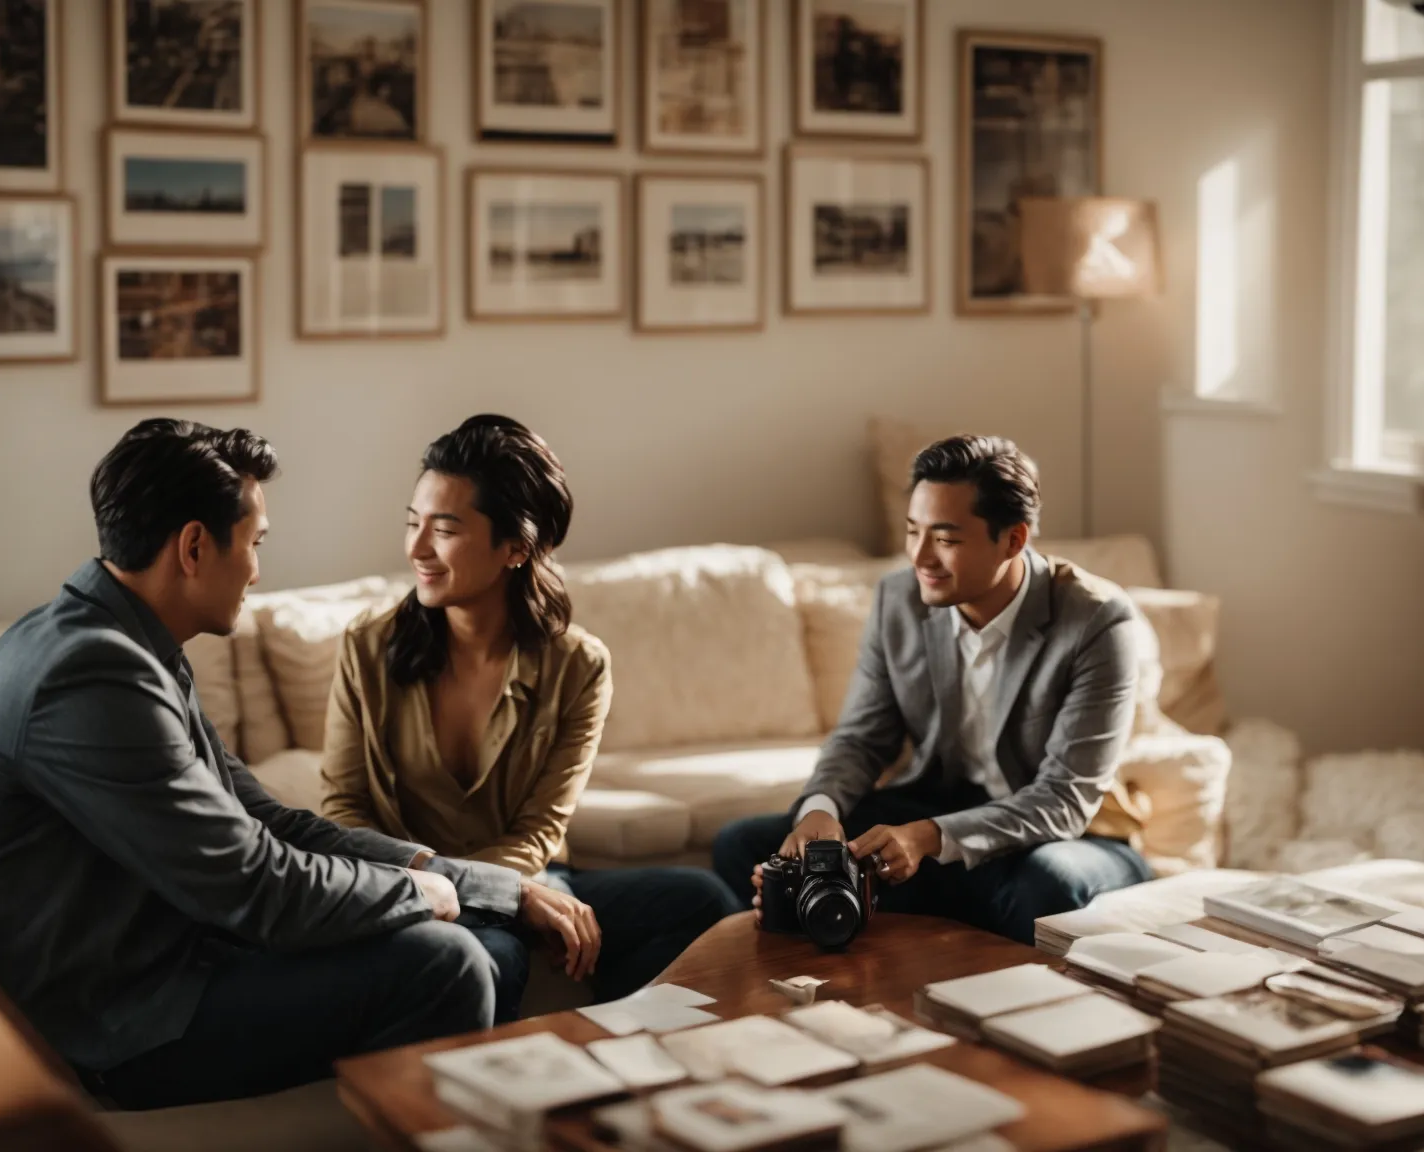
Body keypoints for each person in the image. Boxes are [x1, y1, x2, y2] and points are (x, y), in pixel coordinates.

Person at [0, 419, 574, 1111]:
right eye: (255, 544)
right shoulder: (92, 674)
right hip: (105, 1026)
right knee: (445, 965)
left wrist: (468, 883)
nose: (259, 570)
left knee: (480, 937)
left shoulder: (117, 643)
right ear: (195, 547)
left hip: (156, 965)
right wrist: (420, 896)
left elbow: (266, 820)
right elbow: (255, 887)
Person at [321, 415, 739, 1022]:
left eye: (444, 529)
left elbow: (541, 829)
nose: (416, 550)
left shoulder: (578, 665)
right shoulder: (366, 648)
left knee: (700, 898)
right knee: (491, 954)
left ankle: (621, 1055)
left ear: (516, 546)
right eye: (413, 523)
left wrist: (520, 891)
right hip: (411, 889)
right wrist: (485, 894)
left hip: (529, 873)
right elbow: (343, 813)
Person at [711, 435, 1154, 945]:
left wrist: (928, 837)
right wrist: (820, 811)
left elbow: (1063, 800)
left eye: (945, 538)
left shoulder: (1098, 621)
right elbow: (861, 738)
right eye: (912, 531)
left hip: (1065, 835)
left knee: (1043, 888)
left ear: (1013, 540)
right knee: (748, 845)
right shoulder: (898, 598)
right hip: (940, 809)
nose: (920, 556)